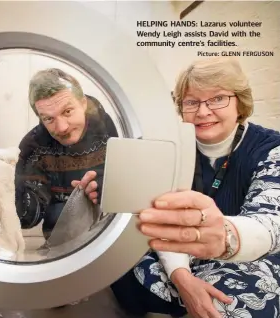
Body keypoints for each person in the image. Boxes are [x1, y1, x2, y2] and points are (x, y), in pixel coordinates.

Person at [111, 57, 280, 318]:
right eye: (191, 102)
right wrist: (182, 277)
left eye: (217, 98)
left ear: (240, 102)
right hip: (177, 257)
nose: (203, 112)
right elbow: (156, 222)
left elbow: (269, 222)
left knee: (233, 302)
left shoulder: (270, 149)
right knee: (119, 264)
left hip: (246, 260)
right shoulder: (165, 148)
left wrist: (226, 237)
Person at [15, 68, 119, 240]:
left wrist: (111, 189)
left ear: (83, 103)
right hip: (62, 237)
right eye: (49, 119)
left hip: (112, 229)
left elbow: (135, 183)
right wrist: (11, 189)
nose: (62, 127)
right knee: (57, 213)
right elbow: (28, 219)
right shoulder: (32, 147)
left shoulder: (113, 127)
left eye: (67, 111)